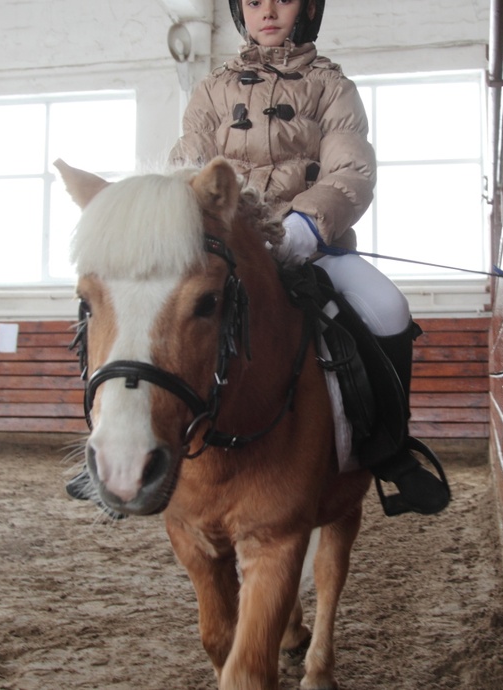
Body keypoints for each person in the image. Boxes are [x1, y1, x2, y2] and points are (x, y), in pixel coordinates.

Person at [68, 0, 450, 516]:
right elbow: (186, 168)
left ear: (307, 8)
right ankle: (118, 435)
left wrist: (306, 225)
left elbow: (351, 170)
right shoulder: (211, 89)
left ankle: (390, 449)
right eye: (253, 2)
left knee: (388, 308)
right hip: (224, 245)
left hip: (311, 242)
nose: (267, 11)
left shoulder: (332, 86)